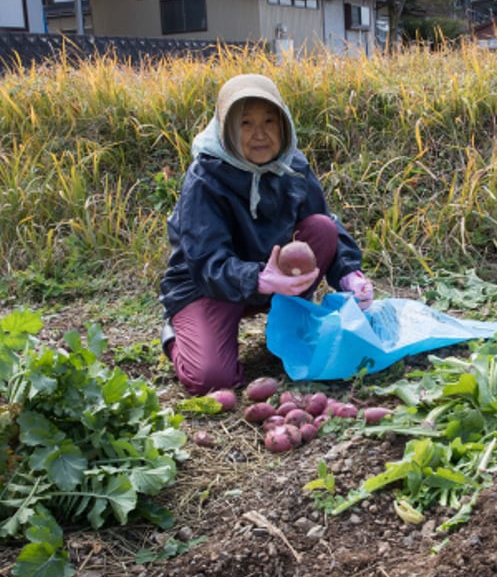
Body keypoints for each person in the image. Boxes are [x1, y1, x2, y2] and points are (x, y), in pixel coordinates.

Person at [158, 73, 374, 395]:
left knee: (321, 228)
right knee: (211, 378)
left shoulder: (293, 166)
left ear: (284, 124)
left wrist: (348, 275)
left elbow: (324, 222)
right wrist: (258, 278)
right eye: (245, 124)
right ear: (226, 128)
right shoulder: (205, 177)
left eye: (270, 122)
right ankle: (178, 336)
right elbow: (206, 262)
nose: (260, 135)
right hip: (208, 285)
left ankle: (287, 326)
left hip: (272, 278)